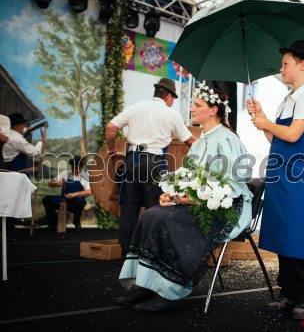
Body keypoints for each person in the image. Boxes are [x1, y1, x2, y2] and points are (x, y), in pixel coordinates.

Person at [116, 85, 253, 313]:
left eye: (197, 105)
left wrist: (192, 198)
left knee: (167, 220)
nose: (191, 109)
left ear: (213, 110)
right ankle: (148, 284)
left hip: (226, 207)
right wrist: (171, 192)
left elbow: (231, 184)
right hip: (199, 201)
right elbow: (186, 176)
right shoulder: (199, 142)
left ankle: (170, 291)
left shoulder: (227, 139)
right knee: (151, 214)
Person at [247, 39, 304, 320]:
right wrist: (262, 117)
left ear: (303, 65)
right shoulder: (287, 99)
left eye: (286, 63)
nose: (281, 68)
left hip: (296, 170)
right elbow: (274, 136)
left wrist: (267, 122)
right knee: (282, 229)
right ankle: (288, 293)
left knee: (295, 231)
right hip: (279, 168)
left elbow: (293, 135)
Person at [106, 78, 197, 254]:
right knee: (156, 209)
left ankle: (128, 255)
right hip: (154, 162)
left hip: (131, 161)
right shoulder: (171, 115)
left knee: (129, 210)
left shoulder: (135, 107)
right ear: (169, 97)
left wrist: (110, 149)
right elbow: (190, 141)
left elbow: (111, 127)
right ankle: (152, 254)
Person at [42, 156, 92, 231]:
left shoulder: (85, 176)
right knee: (46, 200)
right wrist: (56, 184)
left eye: (78, 168)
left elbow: (89, 192)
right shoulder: (65, 173)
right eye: (74, 168)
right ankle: (53, 223)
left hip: (77, 200)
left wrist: (74, 194)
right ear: (71, 167)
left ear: (81, 167)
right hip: (64, 198)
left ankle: (77, 222)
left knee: (77, 201)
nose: (76, 170)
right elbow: (50, 183)